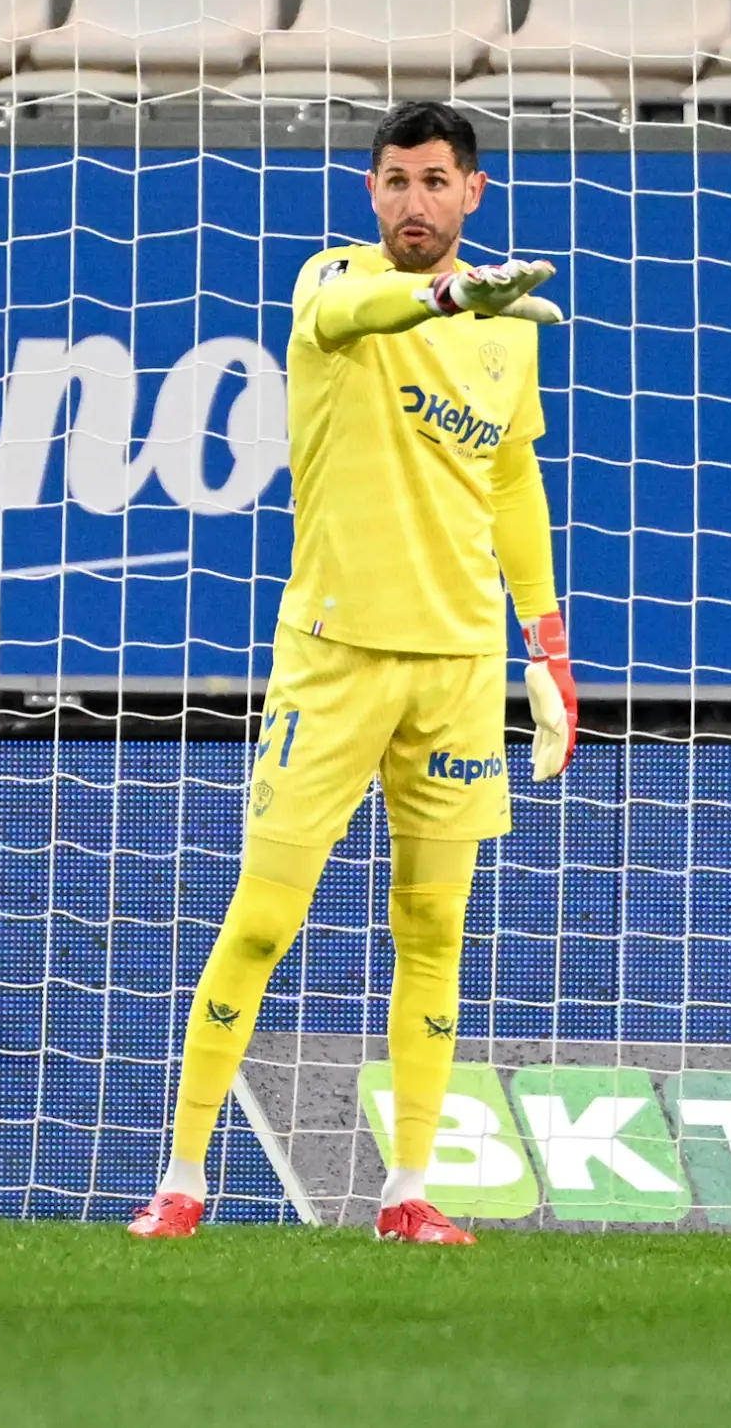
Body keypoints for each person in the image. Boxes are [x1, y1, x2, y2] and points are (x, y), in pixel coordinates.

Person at [129, 100, 577, 1246]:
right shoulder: (333, 284)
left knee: (433, 927)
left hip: (462, 667)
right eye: (393, 181)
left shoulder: (510, 329)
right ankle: (182, 1180)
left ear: (471, 193)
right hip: (332, 663)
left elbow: (512, 481)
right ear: (368, 192)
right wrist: (441, 296)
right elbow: (356, 311)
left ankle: (407, 1192)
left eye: (434, 182)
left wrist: (546, 643)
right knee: (263, 923)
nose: (412, 203)